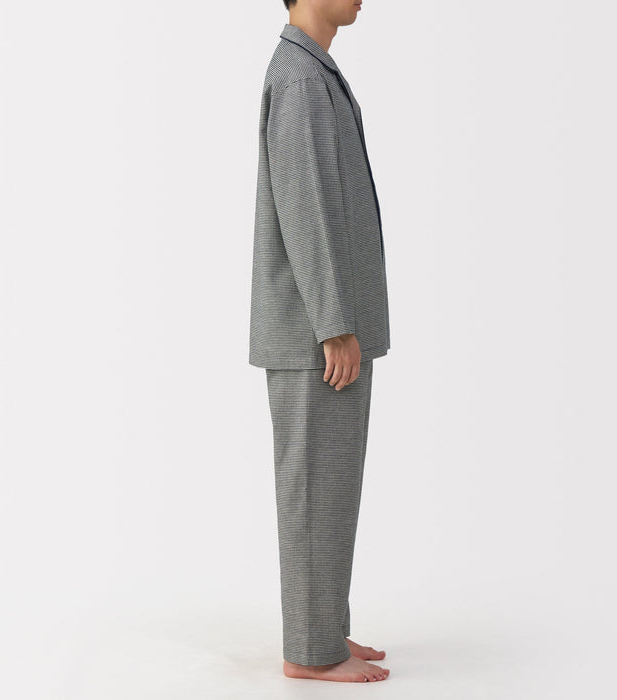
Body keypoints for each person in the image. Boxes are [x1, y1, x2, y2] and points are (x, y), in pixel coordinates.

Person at [248, 0, 391, 683]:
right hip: (317, 337)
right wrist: (334, 324)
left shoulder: (311, 70)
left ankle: (325, 630)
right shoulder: (301, 79)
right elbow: (305, 205)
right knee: (313, 490)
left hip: (330, 332)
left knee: (330, 490)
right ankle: (310, 651)